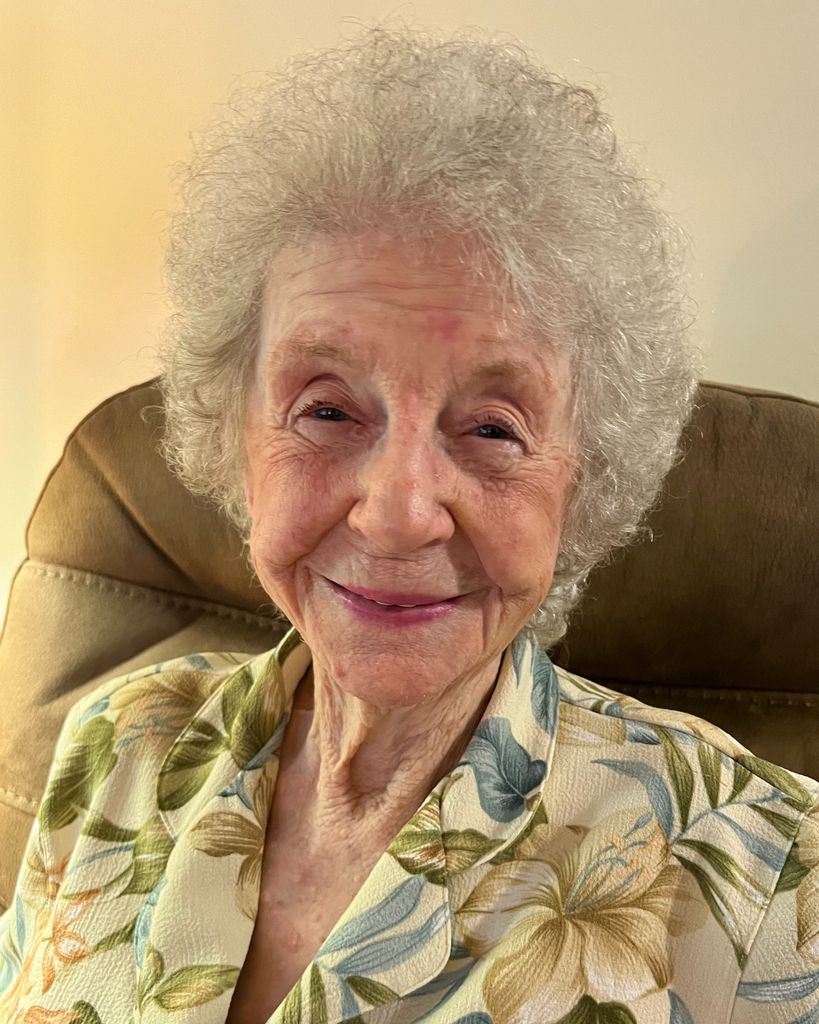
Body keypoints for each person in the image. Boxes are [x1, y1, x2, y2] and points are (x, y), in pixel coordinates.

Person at [1, 26, 817, 1024]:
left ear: (583, 475)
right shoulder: (119, 744)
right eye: (327, 410)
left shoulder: (771, 877)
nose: (395, 515)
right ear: (236, 432)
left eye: (492, 428)